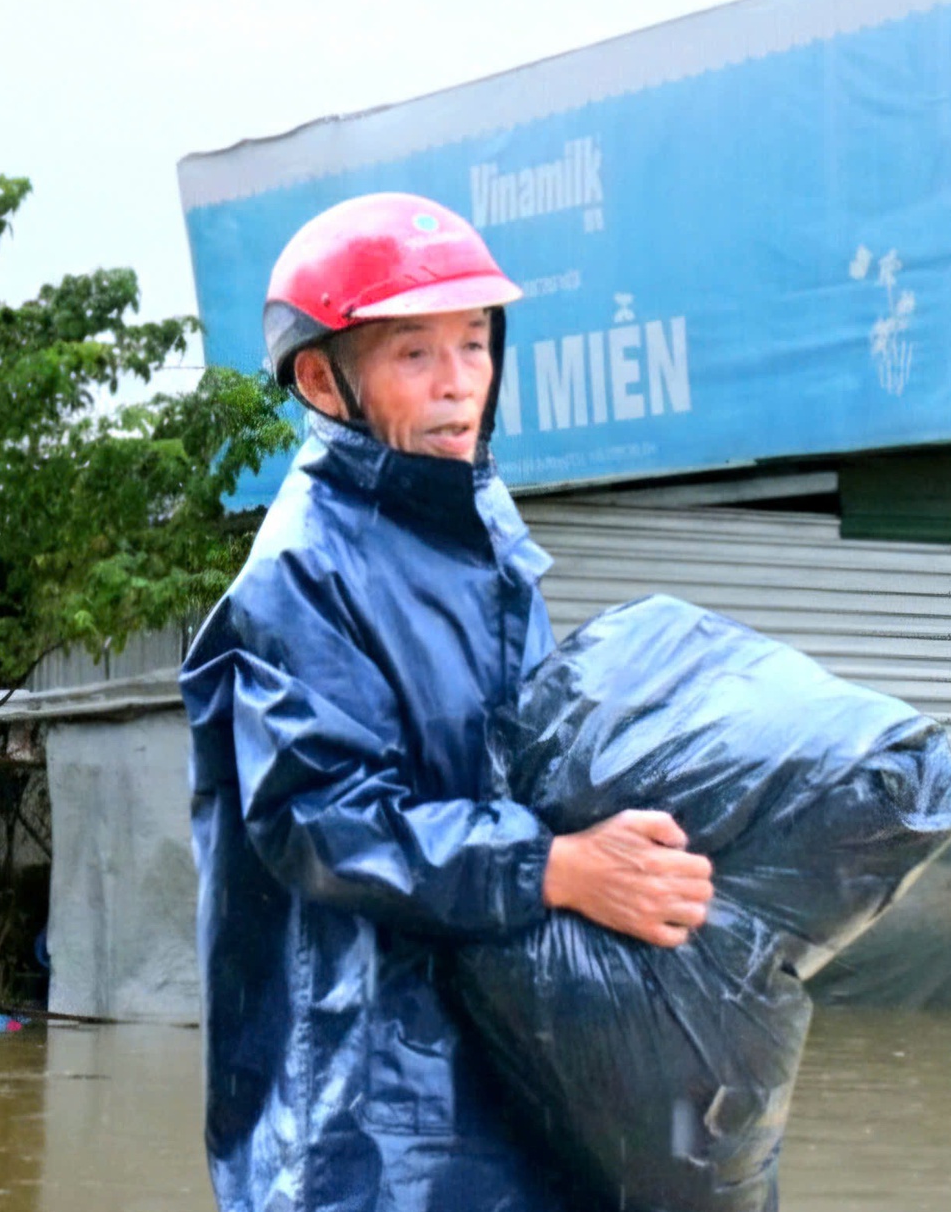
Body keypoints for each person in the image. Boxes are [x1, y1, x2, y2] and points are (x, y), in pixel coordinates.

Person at [180, 192, 717, 1212]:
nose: (457, 383)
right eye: (413, 354)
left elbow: (527, 759)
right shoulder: (301, 571)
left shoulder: (477, 525)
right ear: (320, 378)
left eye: (473, 344)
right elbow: (325, 821)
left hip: (503, 1059)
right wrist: (555, 865)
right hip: (362, 1108)